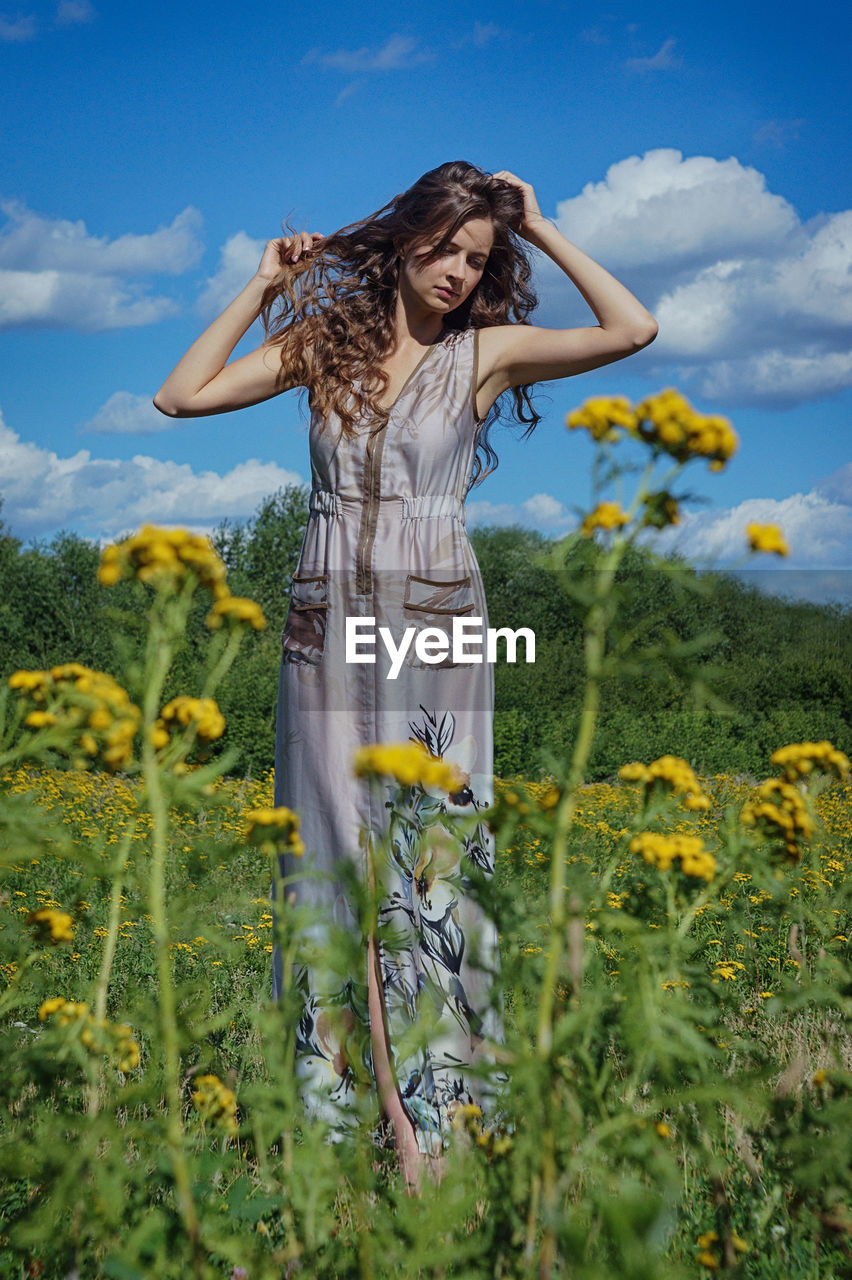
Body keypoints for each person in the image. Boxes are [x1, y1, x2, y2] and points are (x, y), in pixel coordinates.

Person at [154, 160, 657, 1191]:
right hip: (323, 625)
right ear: (406, 240)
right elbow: (179, 394)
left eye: (479, 260)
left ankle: (443, 1129)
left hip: (432, 632)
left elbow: (632, 328)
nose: (460, 273)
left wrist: (543, 227)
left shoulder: (485, 357)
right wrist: (260, 289)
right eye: (447, 248)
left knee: (431, 864)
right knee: (331, 861)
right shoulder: (323, 349)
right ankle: (341, 1126)